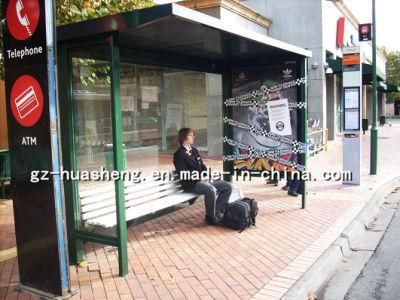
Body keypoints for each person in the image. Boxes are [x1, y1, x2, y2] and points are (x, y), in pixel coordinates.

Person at [173, 128, 232, 226]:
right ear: (184, 137)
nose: (193, 137)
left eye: (193, 135)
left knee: (227, 186)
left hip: (202, 181)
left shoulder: (194, 150)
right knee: (211, 190)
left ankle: (217, 211)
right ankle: (210, 217)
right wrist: (199, 178)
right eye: (191, 135)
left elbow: (202, 166)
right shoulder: (179, 154)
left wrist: (207, 175)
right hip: (191, 184)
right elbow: (183, 173)